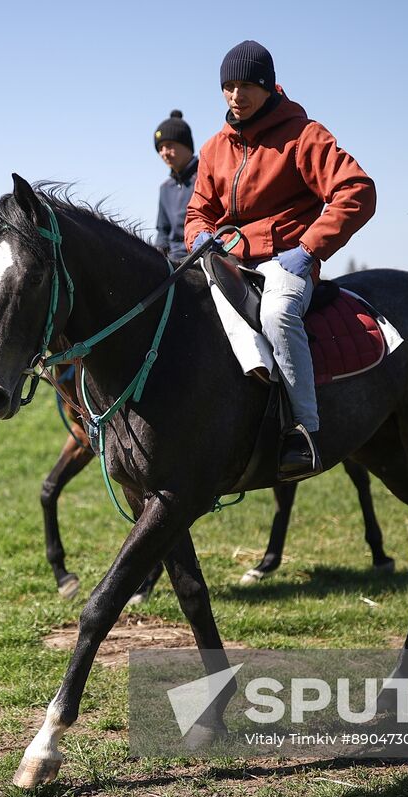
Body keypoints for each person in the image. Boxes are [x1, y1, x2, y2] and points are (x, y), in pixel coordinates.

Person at [185, 40, 376, 482]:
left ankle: (302, 431)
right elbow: (198, 211)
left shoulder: (304, 135)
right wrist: (201, 237)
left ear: (268, 86)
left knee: (276, 313)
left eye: (246, 85)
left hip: (286, 262)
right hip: (228, 262)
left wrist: (309, 248)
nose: (236, 95)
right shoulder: (214, 148)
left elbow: (357, 190)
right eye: (228, 86)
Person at [153, 110, 199, 263]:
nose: (164, 152)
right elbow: (163, 231)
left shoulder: (206, 177)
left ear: (186, 145)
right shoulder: (165, 188)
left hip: (201, 256)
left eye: (169, 145)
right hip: (173, 261)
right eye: (160, 148)